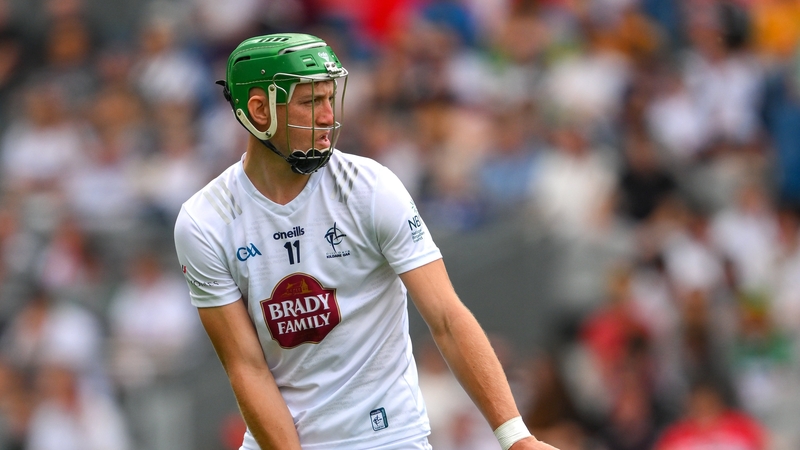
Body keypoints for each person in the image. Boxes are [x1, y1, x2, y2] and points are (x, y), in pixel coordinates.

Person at [174, 32, 558, 450]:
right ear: (259, 109)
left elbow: (447, 318)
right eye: (309, 102)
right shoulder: (204, 221)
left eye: (328, 98)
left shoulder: (370, 188)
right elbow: (247, 367)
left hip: (388, 438)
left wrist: (515, 436)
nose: (326, 117)